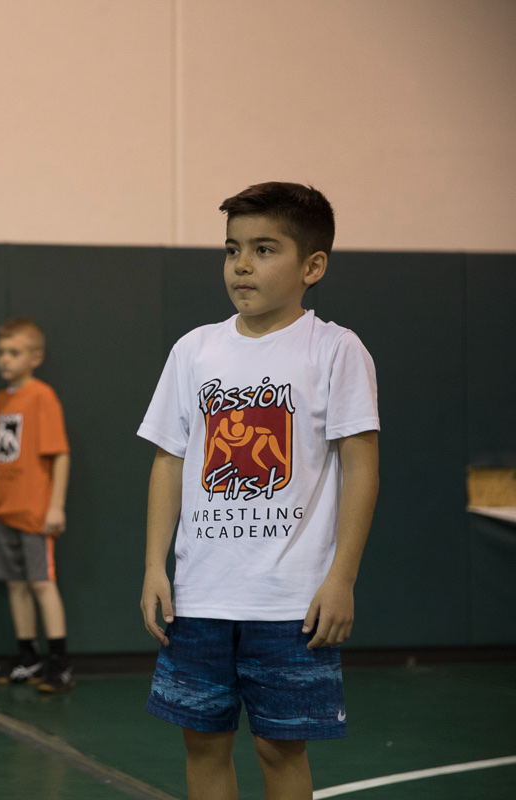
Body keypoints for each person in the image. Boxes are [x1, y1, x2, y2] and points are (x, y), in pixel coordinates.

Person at [138, 182, 380, 799]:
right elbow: (169, 461)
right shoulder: (195, 350)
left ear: (312, 266)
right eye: (232, 249)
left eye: (265, 249)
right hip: (201, 597)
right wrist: (153, 568)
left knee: (279, 749)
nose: (242, 264)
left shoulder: (336, 350)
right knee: (203, 743)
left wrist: (341, 578)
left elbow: (361, 467)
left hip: (290, 601)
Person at [0, 318, 74, 694]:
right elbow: (1, 450)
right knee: (15, 584)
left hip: (34, 511)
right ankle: (27, 657)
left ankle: (60, 663)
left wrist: (55, 506)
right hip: (5, 509)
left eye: (14, 352)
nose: (5, 359)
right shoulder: (1, 400)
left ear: (36, 357)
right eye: (1, 352)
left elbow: (60, 454)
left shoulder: (42, 397)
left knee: (41, 584)